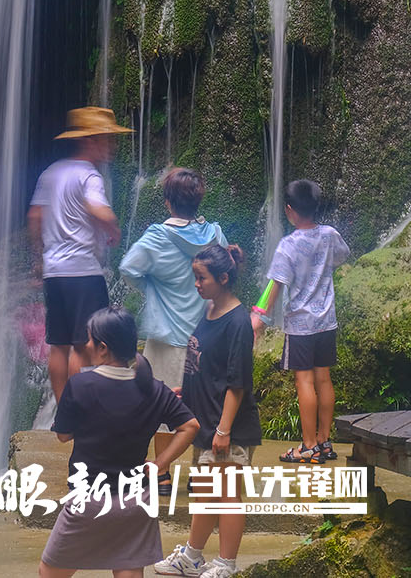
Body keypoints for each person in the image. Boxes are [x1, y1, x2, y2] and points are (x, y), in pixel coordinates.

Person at [40, 306, 199, 578]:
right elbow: (190, 426)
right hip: (136, 500)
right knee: (127, 570)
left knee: (49, 572)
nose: (86, 344)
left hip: (88, 498)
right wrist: (160, 464)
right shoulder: (154, 389)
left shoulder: (80, 386)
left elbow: (64, 435)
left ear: (102, 348)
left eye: (90, 340)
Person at [155, 243, 260, 578]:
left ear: (223, 277)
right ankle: (192, 556)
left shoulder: (238, 322)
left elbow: (237, 382)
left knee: (227, 495)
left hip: (226, 427)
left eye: (201, 278)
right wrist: (186, 392)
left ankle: (226, 564)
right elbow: (207, 365)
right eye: (195, 277)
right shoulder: (211, 310)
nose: (196, 284)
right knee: (204, 493)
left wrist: (224, 430)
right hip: (206, 421)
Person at [119, 167, 225, 466]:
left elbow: (128, 268)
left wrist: (152, 287)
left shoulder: (157, 237)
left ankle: (162, 474)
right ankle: (200, 469)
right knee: (205, 406)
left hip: (167, 335)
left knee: (159, 406)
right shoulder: (215, 234)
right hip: (206, 334)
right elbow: (225, 269)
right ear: (198, 201)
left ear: (167, 202)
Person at [29, 107, 127, 402]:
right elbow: (98, 210)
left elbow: (35, 217)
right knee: (85, 343)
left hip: (55, 272)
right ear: (91, 141)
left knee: (58, 344)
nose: (112, 146)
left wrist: (40, 257)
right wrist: (113, 229)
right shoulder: (89, 176)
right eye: (108, 140)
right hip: (83, 271)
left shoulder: (52, 173)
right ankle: (80, 407)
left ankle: (63, 410)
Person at [251, 179, 350, 462]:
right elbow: (341, 257)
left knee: (304, 382)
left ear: (289, 210)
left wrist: (258, 315)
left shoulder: (288, 245)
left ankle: (307, 447)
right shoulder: (330, 235)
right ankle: (324, 441)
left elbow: (275, 285)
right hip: (326, 321)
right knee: (324, 379)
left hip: (301, 324)